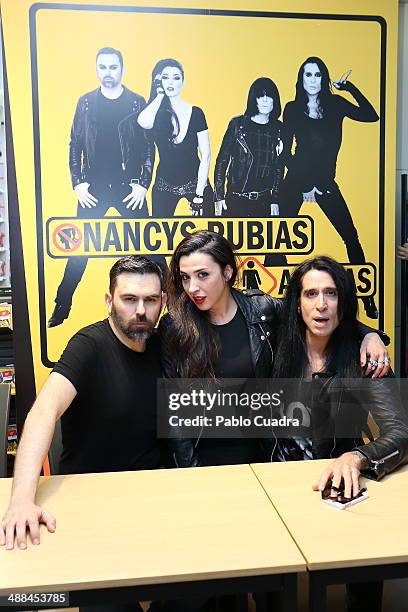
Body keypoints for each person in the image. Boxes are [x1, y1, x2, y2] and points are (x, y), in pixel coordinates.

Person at [160, 230, 390, 469]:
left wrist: (370, 335)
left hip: (262, 458)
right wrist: (189, 469)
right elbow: (173, 410)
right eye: (185, 278)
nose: (193, 287)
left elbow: (316, 315)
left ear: (227, 272)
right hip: (202, 458)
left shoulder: (262, 311)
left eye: (203, 275)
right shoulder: (175, 326)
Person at [1, 255, 166, 553]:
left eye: (150, 300)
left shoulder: (163, 344)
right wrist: (22, 499)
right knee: (110, 598)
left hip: (151, 497)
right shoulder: (89, 345)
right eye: (129, 299)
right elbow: (43, 411)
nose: (140, 311)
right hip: (91, 501)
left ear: (163, 301)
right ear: (109, 300)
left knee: (193, 593)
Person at [272, 256, 408, 612]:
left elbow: (401, 432)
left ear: (343, 302)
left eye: (331, 293)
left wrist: (357, 457)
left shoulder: (365, 359)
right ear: (296, 302)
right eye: (311, 293)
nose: (321, 304)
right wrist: (372, 332)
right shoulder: (272, 341)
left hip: (341, 485)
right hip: (277, 482)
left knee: (367, 555)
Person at [48, 47, 154, 327]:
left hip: (128, 188)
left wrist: (143, 184)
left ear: (122, 70)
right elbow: (75, 145)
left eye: (113, 67)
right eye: (103, 67)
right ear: (97, 69)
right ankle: (62, 305)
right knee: (79, 251)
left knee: (150, 247)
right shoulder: (85, 103)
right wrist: (78, 183)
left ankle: (176, 303)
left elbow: (147, 147)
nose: (108, 73)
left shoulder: (136, 102)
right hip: (93, 188)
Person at [281, 57, 379, 319]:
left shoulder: (335, 104)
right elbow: (285, 153)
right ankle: (270, 304)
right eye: (308, 75)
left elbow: (371, 115)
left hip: (325, 182)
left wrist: (349, 88)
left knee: (351, 237)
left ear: (324, 79)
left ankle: (367, 299)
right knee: (278, 240)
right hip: (296, 182)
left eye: (317, 75)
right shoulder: (292, 108)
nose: (313, 80)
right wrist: (304, 185)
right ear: (301, 80)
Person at [137, 58, 213, 218]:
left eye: (176, 77)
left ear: (183, 82)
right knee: (161, 235)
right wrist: (159, 95)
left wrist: (199, 195)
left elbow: (205, 156)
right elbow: (143, 122)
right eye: (165, 77)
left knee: (209, 235)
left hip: (196, 184)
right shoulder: (155, 113)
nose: (170, 82)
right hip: (165, 186)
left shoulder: (196, 113)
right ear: (159, 81)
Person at [214, 77, 284, 219]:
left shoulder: (278, 129)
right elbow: (222, 161)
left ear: (274, 101)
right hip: (236, 200)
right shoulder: (237, 125)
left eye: (269, 96)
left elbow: (278, 167)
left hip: (264, 202)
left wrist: (275, 199)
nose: (265, 100)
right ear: (254, 99)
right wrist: (219, 196)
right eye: (260, 96)